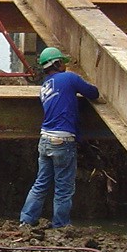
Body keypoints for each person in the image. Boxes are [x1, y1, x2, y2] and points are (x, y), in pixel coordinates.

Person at [19, 47, 101, 228]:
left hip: (45, 139)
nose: (65, 65)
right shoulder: (69, 78)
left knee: (40, 183)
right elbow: (93, 93)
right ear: (56, 63)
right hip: (63, 141)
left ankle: (26, 221)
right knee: (63, 188)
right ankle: (61, 225)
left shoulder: (45, 86)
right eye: (62, 62)